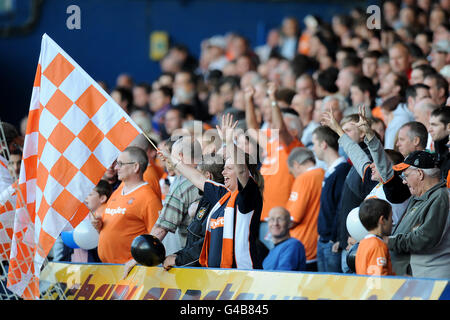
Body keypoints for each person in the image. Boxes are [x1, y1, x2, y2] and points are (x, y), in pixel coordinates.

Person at [159, 114, 265, 269]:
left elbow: (241, 170)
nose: (223, 173)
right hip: (219, 277)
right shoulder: (222, 195)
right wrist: (173, 160)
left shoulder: (248, 196)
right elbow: (197, 178)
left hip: (244, 276)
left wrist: (229, 142)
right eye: (223, 169)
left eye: (229, 168)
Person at [92, 146, 163, 264]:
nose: (115, 167)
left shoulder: (148, 198)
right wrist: (99, 225)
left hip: (131, 270)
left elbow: (156, 238)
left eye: (120, 164)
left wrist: (137, 261)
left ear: (135, 167)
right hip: (109, 268)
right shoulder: (119, 191)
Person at [388, 150, 450, 278]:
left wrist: (388, 242)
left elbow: (425, 237)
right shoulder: (420, 197)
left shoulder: (441, 197)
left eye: (405, 176)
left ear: (420, 174)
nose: (404, 181)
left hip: (432, 279)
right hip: (417, 276)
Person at [162, 154, 224, 270]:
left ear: (207, 176)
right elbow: (193, 241)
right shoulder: (205, 200)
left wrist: (178, 259)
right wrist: (178, 255)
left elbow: (206, 245)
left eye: (197, 173)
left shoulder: (221, 203)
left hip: (209, 277)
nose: (193, 180)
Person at [312, 125, 351, 273]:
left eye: (315, 144)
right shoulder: (330, 171)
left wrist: (335, 237)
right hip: (323, 239)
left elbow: (341, 208)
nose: (313, 148)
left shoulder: (342, 171)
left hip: (332, 242)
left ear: (323, 144)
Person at [286, 147, 324, 271]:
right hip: (317, 244)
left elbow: (293, 218)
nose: (293, 176)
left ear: (296, 165)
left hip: (302, 246)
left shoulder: (303, 179)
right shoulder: (325, 173)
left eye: (291, 172)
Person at [74, 180, 112, 263]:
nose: (86, 197)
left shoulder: (105, 216)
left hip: (98, 262)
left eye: (90, 194)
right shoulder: (84, 215)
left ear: (102, 198)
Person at [355, 198, 395, 276]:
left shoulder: (363, 243)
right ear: (382, 220)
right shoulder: (378, 246)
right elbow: (378, 281)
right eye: (391, 218)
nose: (392, 222)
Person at [262, 207, 307, 271]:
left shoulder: (293, 245)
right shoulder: (273, 250)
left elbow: (283, 276)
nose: (275, 223)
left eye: (280, 219)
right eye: (272, 219)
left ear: (289, 224)